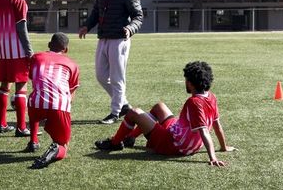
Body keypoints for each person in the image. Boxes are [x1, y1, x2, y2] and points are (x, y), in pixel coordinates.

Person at [94, 61, 237, 166]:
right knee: (159, 107)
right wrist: (223, 147)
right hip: (183, 138)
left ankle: (114, 143)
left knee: (133, 112)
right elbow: (216, 123)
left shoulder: (194, 102)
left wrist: (212, 157)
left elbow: (204, 130)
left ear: (190, 83)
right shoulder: (211, 96)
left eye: (186, 79)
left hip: (173, 144)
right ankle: (130, 138)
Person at [78, 0, 142, 124]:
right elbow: (96, 11)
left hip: (120, 39)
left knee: (117, 78)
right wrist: (87, 26)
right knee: (100, 76)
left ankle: (115, 113)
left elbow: (138, 16)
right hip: (103, 38)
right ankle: (124, 104)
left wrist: (130, 29)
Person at [25, 33, 80, 169]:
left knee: (35, 98)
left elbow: (35, 79)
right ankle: (55, 150)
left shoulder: (36, 57)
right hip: (58, 105)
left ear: (49, 45)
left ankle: (33, 140)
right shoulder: (72, 64)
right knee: (63, 145)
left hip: (35, 104)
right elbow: (71, 92)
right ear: (66, 50)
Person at [0, 0, 34, 136]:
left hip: (4, 51)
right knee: (21, 87)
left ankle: (2, 124)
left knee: (4, 87)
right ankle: (22, 127)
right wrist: (29, 52)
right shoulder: (19, 1)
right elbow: (21, 29)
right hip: (17, 51)